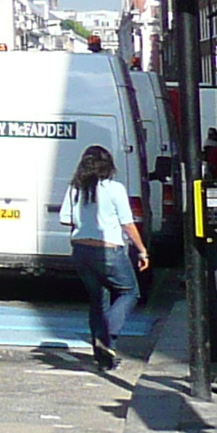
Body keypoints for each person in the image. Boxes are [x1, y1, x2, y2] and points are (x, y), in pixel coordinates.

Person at [64, 142, 149, 375]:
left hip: (81, 250)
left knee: (97, 300)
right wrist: (142, 250)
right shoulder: (114, 188)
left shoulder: (75, 188)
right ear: (108, 165)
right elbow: (127, 223)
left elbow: (65, 218)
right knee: (129, 292)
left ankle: (103, 358)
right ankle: (107, 333)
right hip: (108, 250)